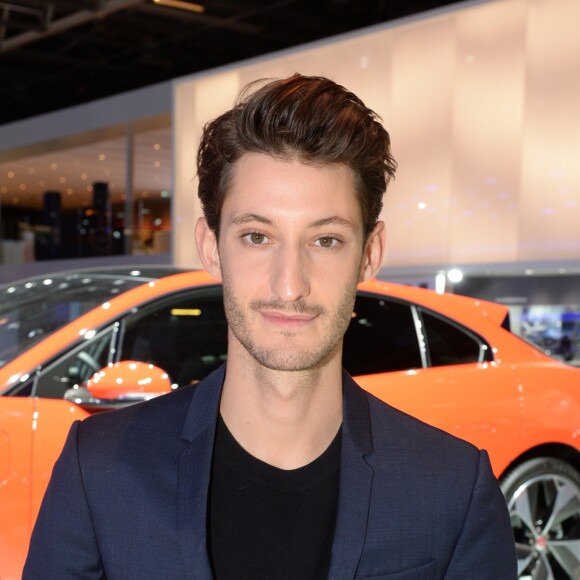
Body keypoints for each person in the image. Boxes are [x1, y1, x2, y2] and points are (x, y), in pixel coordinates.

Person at [24, 74, 517, 579]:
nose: (289, 285)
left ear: (369, 254)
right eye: (257, 236)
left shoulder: (452, 488)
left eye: (325, 240)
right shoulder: (98, 470)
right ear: (211, 247)